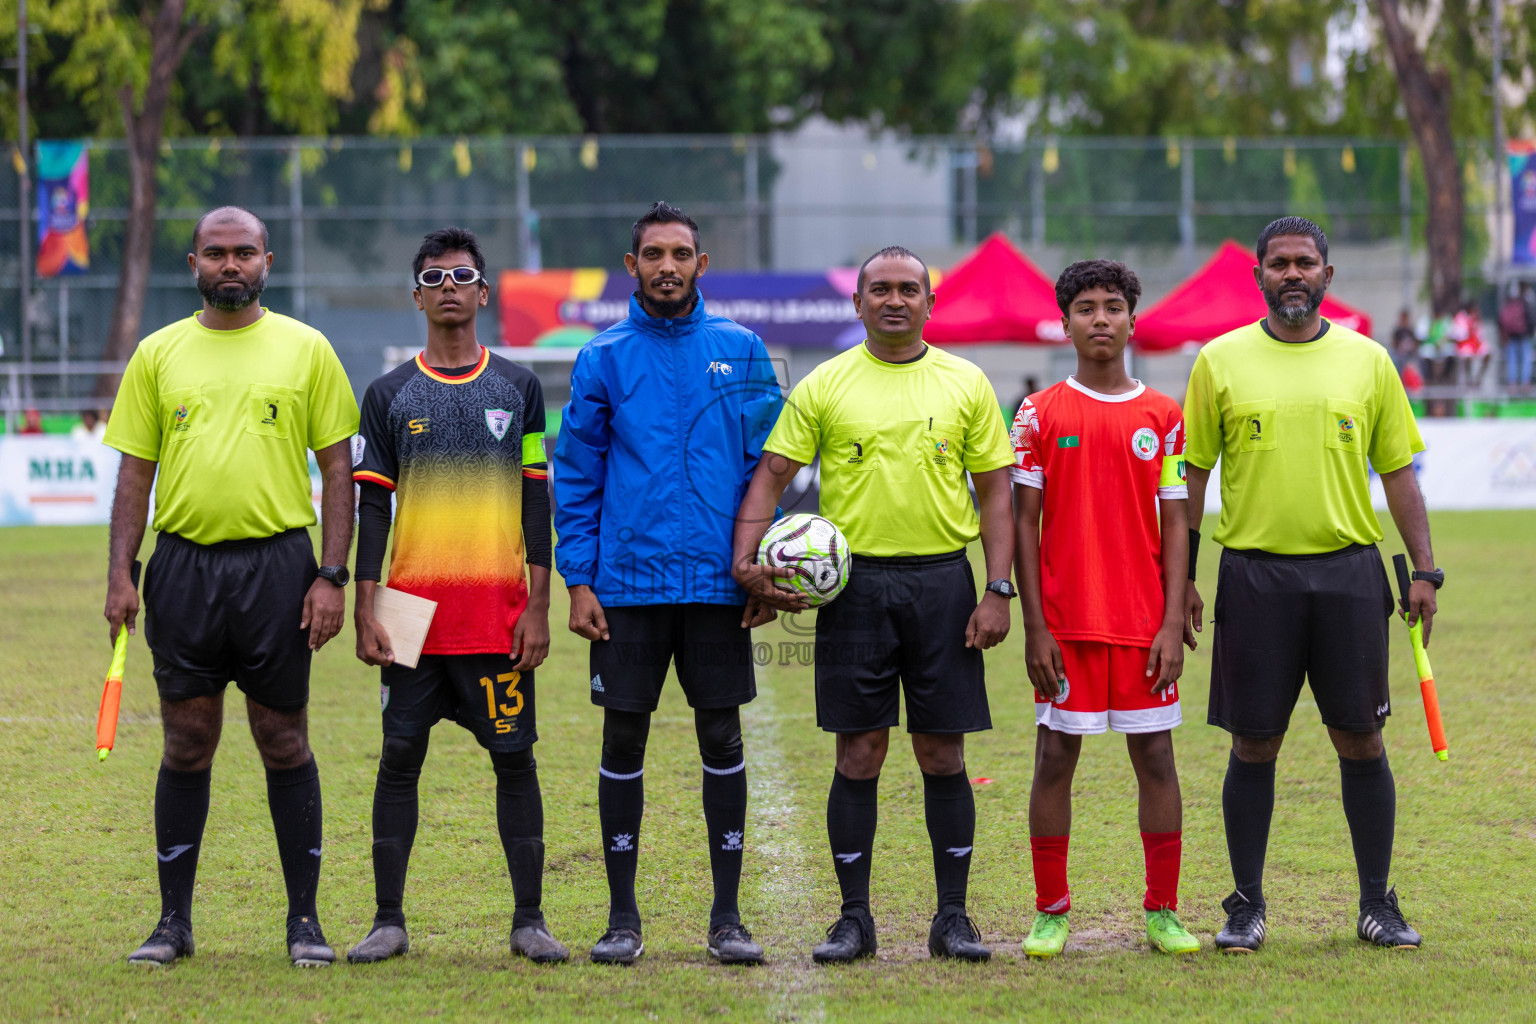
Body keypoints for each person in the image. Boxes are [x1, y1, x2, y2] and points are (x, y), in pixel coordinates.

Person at [734, 245, 1015, 964]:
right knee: (859, 751)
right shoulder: (826, 385)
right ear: (857, 304)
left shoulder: (966, 382)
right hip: (853, 591)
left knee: (941, 751)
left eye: (909, 289)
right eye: (880, 290)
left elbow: (996, 495)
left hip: (943, 586)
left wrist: (996, 587)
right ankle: (853, 920)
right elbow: (771, 475)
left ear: (929, 302)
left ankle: (953, 918)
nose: (895, 300)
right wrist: (749, 558)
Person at [102, 205, 359, 966]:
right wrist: (121, 571)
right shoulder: (157, 354)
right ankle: (172, 924)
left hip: (279, 569)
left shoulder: (306, 349)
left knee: (283, 740)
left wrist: (331, 575)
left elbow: (340, 470)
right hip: (182, 569)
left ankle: (304, 923)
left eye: (244, 252)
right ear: (194, 264)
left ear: (267, 261)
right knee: (187, 741)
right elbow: (134, 472)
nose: (230, 265)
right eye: (215, 253)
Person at [1182, 216, 1440, 953]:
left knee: (1360, 738)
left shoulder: (1369, 361)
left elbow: (1398, 474)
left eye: (1305, 263)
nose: (1292, 274)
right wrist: (1187, 579)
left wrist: (1424, 569)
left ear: (1328, 275)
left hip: (1351, 575)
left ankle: (1376, 905)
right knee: (1253, 742)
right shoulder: (1219, 361)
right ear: (1258, 276)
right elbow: (1193, 477)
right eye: (1278, 263)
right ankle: (1246, 906)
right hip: (1254, 575)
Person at [553, 201, 783, 966]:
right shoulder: (603, 357)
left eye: (681, 254)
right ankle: (622, 918)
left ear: (701, 264)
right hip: (627, 587)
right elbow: (577, 476)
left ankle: (727, 918)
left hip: (719, 588)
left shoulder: (742, 350)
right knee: (624, 738)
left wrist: (759, 569)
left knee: (721, 736)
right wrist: (580, 580)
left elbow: (767, 473)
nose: (667, 268)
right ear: (632, 266)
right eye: (653, 254)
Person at [346, 227, 567, 965]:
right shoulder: (386, 395)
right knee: (398, 756)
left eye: (461, 275)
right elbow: (373, 505)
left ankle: (529, 920)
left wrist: (538, 605)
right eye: (433, 277)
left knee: (515, 761)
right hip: (408, 614)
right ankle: (387, 921)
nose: (448, 286)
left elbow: (538, 501)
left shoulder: (518, 388)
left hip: (496, 612)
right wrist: (365, 603)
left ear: (482, 291)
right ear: (416, 295)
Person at [1011, 260, 1198, 959]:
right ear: (1065, 323)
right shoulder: (1037, 413)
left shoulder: (1164, 417)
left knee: (1156, 756)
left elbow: (1175, 521)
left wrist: (1173, 618)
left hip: (1143, 622)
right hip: (1066, 623)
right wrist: (1035, 625)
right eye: (1084, 307)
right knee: (1055, 755)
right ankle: (1051, 910)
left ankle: (1163, 911)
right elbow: (1023, 522)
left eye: (1112, 306)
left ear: (1131, 320)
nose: (1099, 318)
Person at [1498, 284, 1532, 391]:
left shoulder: (1509, 303)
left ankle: (1512, 383)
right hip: (1524, 335)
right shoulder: (1525, 303)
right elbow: (1531, 319)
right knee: (1526, 359)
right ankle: (1525, 383)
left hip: (1511, 336)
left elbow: (1500, 319)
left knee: (1512, 360)